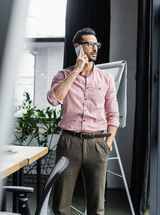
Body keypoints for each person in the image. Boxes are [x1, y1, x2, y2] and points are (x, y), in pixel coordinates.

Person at [47, 27, 119, 215]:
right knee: (60, 206)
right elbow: (54, 99)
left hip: (97, 144)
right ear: (78, 47)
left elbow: (113, 115)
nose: (95, 48)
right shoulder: (63, 75)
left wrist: (107, 144)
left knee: (97, 207)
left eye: (97, 44)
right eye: (90, 44)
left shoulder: (106, 78)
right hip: (69, 143)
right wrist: (77, 70)